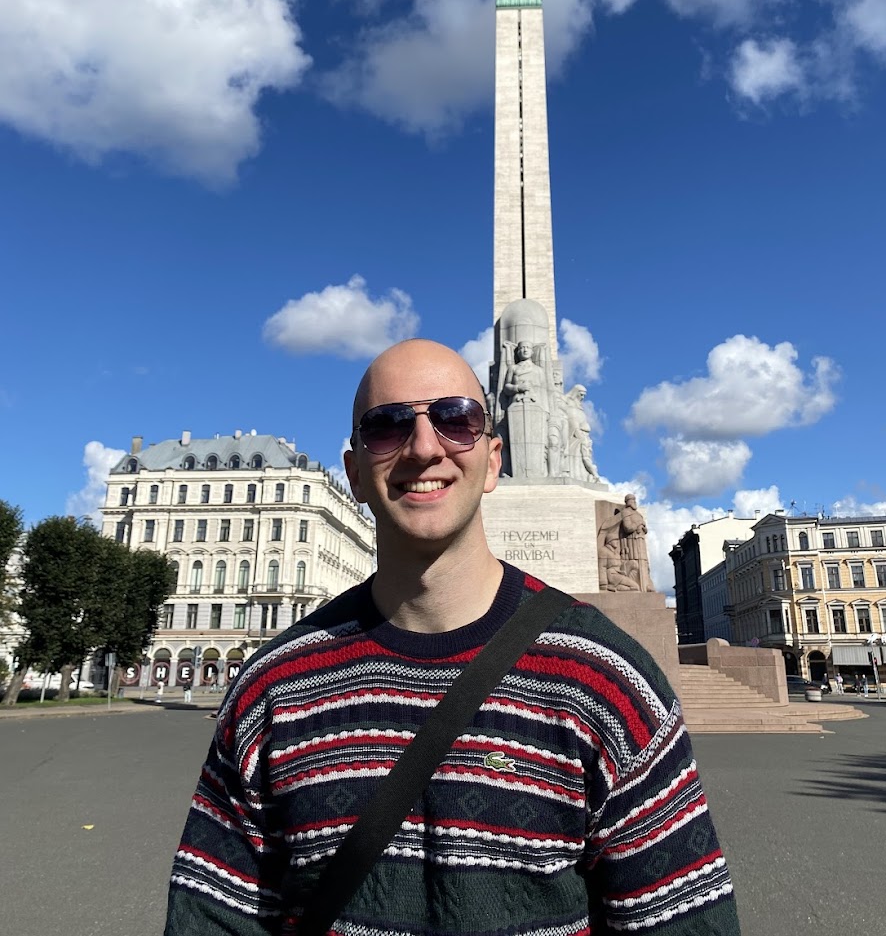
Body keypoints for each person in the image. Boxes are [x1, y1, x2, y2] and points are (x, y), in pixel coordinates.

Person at [166, 338, 740, 936]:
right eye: (387, 426)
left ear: (493, 460)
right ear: (355, 473)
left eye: (455, 419)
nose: (423, 447)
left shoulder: (609, 683)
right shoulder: (272, 690)